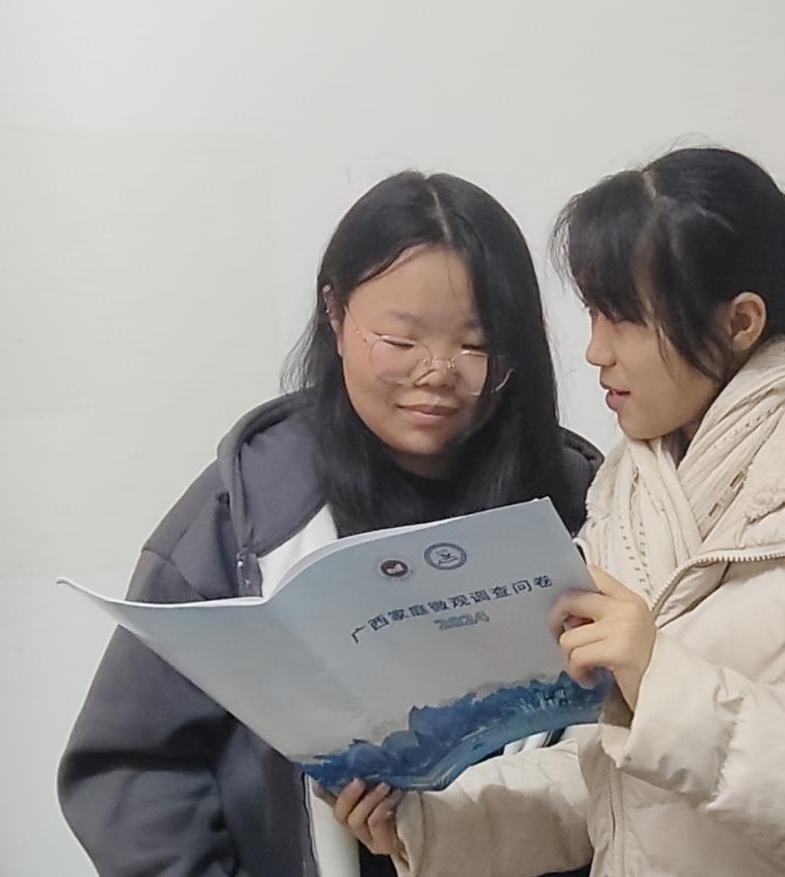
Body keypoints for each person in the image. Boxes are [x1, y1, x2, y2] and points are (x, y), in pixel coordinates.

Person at [58, 170, 602, 877]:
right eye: (400, 340)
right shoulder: (253, 509)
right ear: (335, 313)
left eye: (476, 346)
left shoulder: (579, 502)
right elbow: (129, 766)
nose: (437, 372)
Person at [331, 146, 785, 877]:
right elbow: (609, 784)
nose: (595, 351)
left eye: (625, 319)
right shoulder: (628, 492)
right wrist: (432, 825)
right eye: (593, 314)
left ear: (739, 322)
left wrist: (659, 680)